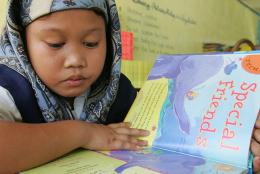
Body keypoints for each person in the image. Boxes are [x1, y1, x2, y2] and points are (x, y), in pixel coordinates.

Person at [0, 0, 150, 173]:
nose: (76, 60)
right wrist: (84, 134)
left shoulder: (117, 89)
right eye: (55, 43)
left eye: (91, 42)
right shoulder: (9, 87)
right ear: (22, 43)